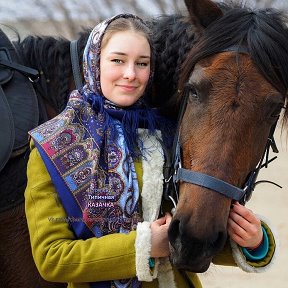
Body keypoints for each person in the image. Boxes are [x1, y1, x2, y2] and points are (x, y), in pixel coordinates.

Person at [25, 14, 277, 288]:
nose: (131, 74)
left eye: (142, 63)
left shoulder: (169, 136)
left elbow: (191, 232)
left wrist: (254, 242)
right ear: (94, 61)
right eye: (117, 60)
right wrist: (143, 246)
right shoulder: (52, 146)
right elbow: (51, 258)